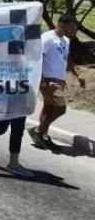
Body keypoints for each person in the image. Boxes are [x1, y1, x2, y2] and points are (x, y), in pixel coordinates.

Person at [27, 14, 83, 150]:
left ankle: (43, 137)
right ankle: (38, 130)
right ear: (61, 24)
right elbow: (36, 58)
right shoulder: (47, 38)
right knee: (60, 108)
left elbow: (66, 60)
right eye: (71, 26)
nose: (72, 29)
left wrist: (77, 75)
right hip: (48, 80)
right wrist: (40, 80)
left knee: (49, 108)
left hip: (59, 79)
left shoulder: (65, 40)